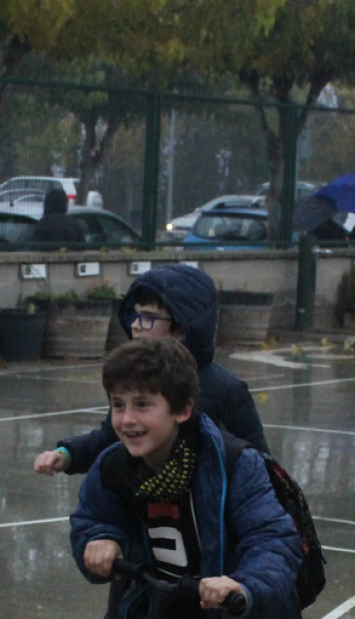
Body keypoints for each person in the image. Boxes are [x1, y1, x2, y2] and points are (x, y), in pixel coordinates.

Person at [69, 339, 302, 619]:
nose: (127, 419)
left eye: (142, 404)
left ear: (182, 410)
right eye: (118, 405)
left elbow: (273, 539)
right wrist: (102, 540)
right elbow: (93, 519)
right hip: (157, 606)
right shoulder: (113, 465)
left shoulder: (233, 464)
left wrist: (245, 584)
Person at [34, 264, 270, 477]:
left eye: (148, 317)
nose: (136, 326)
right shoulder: (134, 380)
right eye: (134, 315)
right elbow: (108, 440)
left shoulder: (226, 390)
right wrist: (67, 454)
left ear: (181, 327)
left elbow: (258, 463)